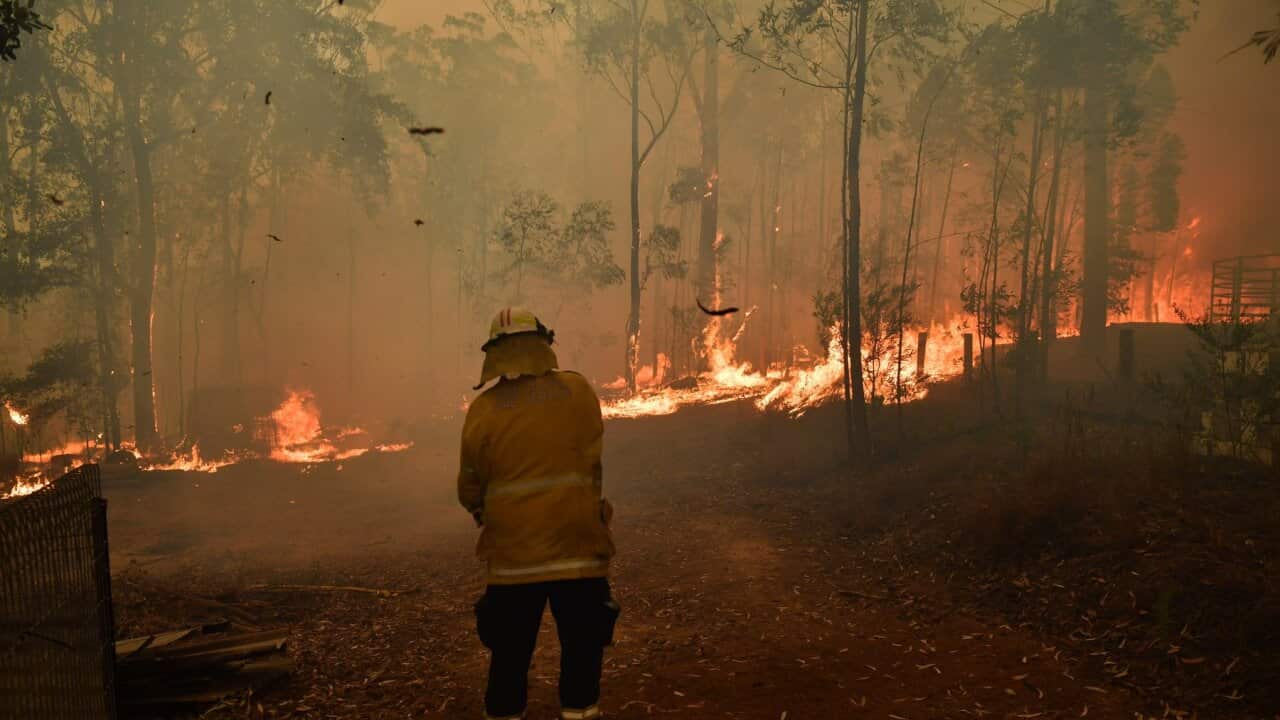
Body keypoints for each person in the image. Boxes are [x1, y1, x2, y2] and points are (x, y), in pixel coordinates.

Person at [458, 307, 620, 720]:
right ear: (543, 344)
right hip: (579, 551)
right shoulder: (578, 392)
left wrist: (488, 512)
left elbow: (469, 489)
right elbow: (590, 452)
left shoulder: (483, 411)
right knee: (582, 650)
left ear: (495, 353)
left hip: (513, 563)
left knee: (510, 656)